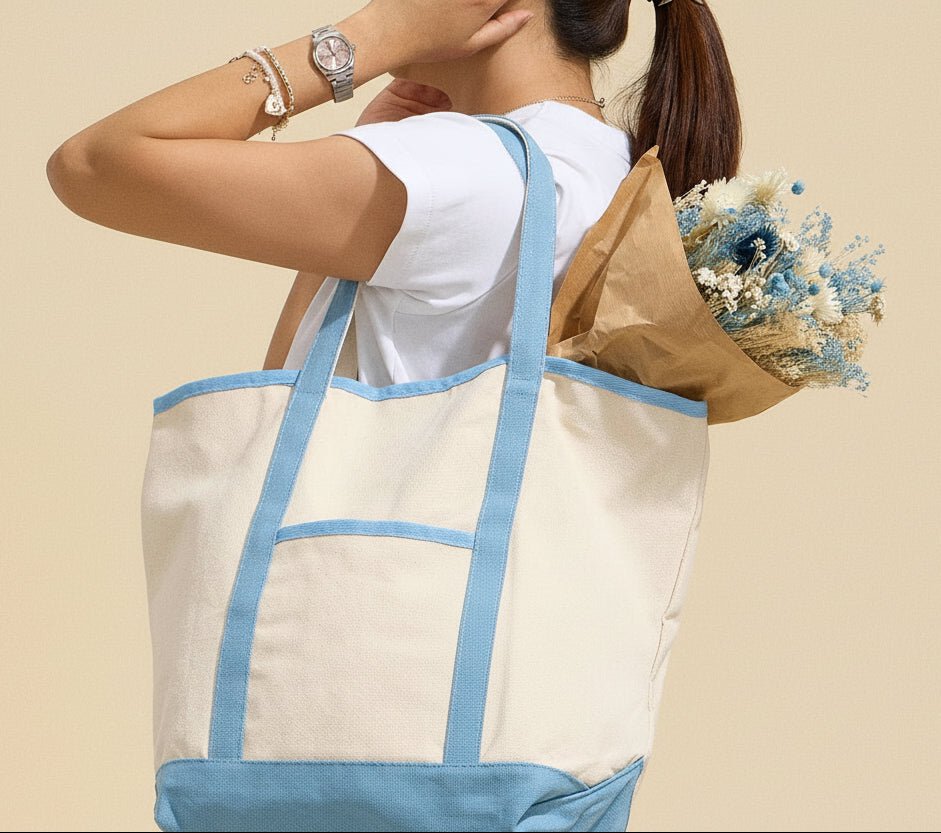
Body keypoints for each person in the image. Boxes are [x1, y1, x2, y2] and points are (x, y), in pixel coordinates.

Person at [45, 0, 740, 388]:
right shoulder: (609, 164)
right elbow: (287, 400)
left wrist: (363, 41)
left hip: (360, 643)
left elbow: (93, 164)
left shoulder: (464, 171)